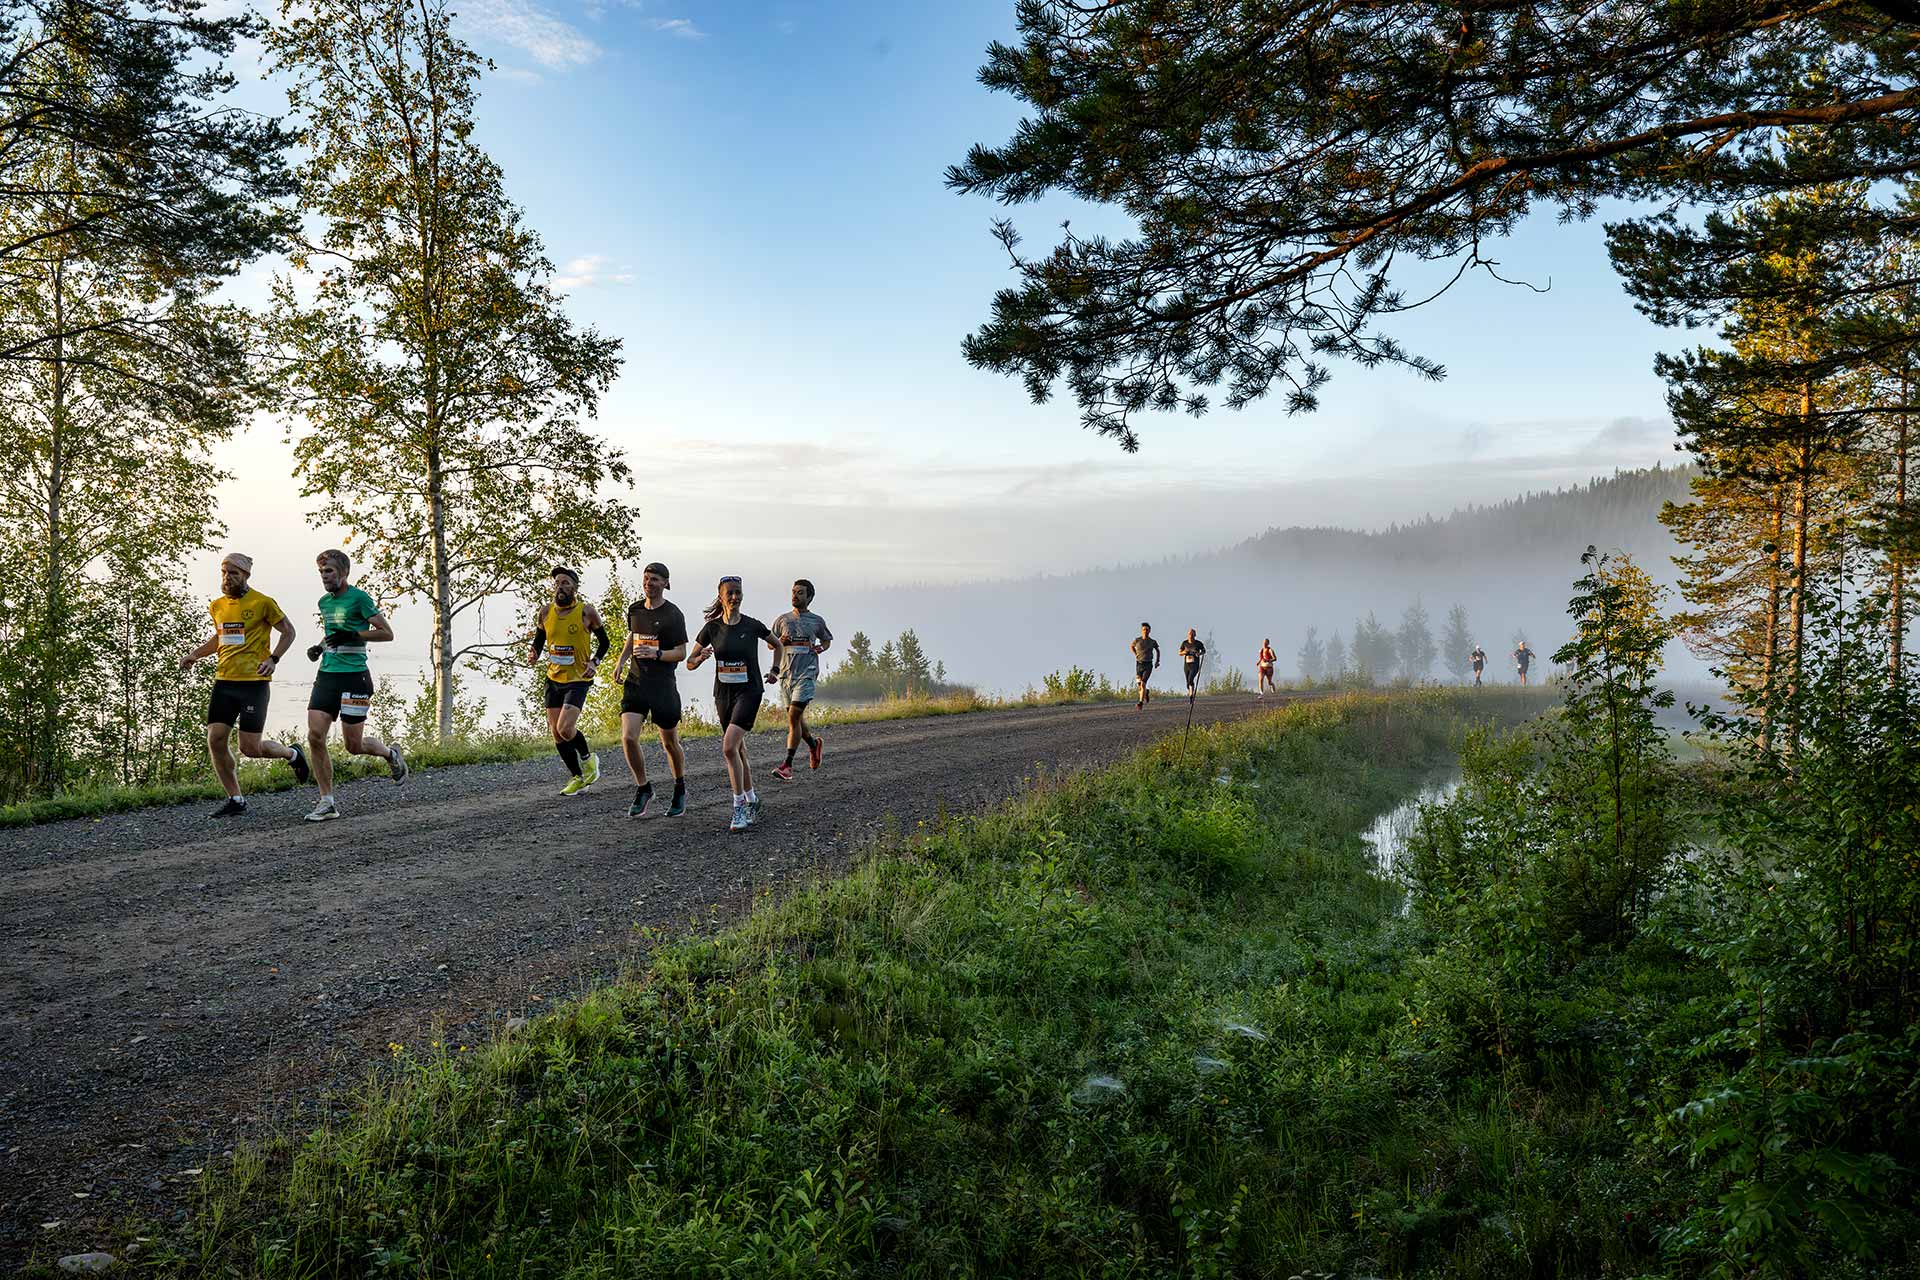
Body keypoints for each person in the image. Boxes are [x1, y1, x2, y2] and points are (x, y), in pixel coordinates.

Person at [178, 552, 309, 817]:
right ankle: (235, 799)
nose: (227, 577)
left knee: (250, 748)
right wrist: (195, 654)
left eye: (233, 573)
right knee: (215, 740)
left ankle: (292, 754)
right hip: (224, 682)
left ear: (246, 575)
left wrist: (273, 659)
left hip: (253, 684)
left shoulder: (263, 602)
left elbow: (289, 632)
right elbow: (220, 638)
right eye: (224, 572)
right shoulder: (217, 606)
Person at [301, 550, 408, 822]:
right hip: (327, 675)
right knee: (315, 736)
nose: (325, 577)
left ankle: (390, 754)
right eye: (321, 572)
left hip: (355, 677)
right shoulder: (324, 602)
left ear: (344, 573)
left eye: (329, 571)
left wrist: (354, 635)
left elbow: (387, 633)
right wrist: (319, 647)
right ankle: (327, 802)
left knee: (353, 745)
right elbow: (333, 634)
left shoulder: (359, 598)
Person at [688, 576, 784, 832]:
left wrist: (775, 670)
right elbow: (689, 662)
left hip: (749, 692)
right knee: (738, 750)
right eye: (729, 592)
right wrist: (700, 657)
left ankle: (738, 806)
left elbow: (777, 645)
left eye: (738, 592)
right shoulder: (711, 628)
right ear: (721, 596)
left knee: (729, 747)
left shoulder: (752, 625)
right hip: (723, 695)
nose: (734, 597)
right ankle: (752, 800)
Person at [612, 561, 689, 818]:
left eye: (654, 579)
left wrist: (657, 654)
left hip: (662, 685)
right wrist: (621, 661)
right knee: (628, 737)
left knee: (669, 743)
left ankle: (679, 787)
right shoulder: (635, 609)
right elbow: (633, 635)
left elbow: (681, 652)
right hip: (636, 682)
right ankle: (643, 788)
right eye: (646, 578)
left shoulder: (673, 614)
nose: (649, 583)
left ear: (666, 583)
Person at [528, 566, 608, 796]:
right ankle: (577, 777)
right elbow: (540, 639)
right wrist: (534, 653)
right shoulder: (545, 612)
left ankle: (589, 759)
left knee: (565, 728)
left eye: (565, 583)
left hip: (577, 679)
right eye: (557, 584)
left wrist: (595, 662)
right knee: (556, 732)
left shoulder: (586, 612)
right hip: (553, 678)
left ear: (574, 587)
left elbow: (604, 643)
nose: (560, 587)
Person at [770, 578, 832, 783]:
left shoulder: (816, 621)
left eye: (800, 593)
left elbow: (826, 640)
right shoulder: (782, 620)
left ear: (810, 597)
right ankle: (814, 745)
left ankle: (787, 765)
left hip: (807, 673)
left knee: (794, 716)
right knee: (795, 719)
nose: (795, 596)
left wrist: (820, 648)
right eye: (793, 592)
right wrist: (780, 642)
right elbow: (771, 644)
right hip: (786, 676)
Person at [1130, 622, 1161, 709]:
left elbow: (1158, 650)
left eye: (1147, 630)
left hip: (1148, 664)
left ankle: (1140, 703)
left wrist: (1157, 661)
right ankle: (1146, 692)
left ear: (1149, 631)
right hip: (1139, 664)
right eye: (1144, 629)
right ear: (1141, 630)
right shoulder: (1137, 640)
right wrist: (1135, 654)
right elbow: (1131, 646)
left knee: (1143, 683)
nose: (1145, 631)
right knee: (1140, 685)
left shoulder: (1152, 641)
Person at [1178, 629, 1206, 699]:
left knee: (1190, 679)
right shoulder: (1184, 643)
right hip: (1187, 665)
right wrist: (1184, 652)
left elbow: (1204, 651)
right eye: (1190, 634)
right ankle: (1190, 690)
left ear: (1195, 635)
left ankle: (1191, 694)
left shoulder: (1198, 643)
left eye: (1192, 634)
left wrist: (1199, 653)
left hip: (1195, 665)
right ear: (1188, 635)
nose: (1191, 635)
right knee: (1188, 681)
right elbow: (1180, 653)